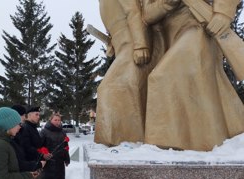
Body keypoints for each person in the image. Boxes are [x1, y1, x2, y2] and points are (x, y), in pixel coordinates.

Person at [141, 0, 244, 151]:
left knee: (162, 76)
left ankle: (165, 147)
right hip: (170, 38)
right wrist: (167, 4)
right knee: (195, 86)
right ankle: (198, 143)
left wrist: (223, 12)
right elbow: (147, 15)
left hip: (199, 28)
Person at [94, 0, 164, 146]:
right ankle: (125, 141)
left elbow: (133, 10)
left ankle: (127, 142)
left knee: (110, 90)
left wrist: (140, 45)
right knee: (123, 91)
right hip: (124, 44)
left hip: (135, 44)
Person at [40, 113, 70, 179]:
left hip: (59, 162)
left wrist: (67, 158)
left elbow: (66, 147)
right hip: (48, 163)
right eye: (55, 120)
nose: (57, 122)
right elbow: (39, 146)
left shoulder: (62, 132)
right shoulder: (44, 132)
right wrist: (44, 154)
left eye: (59, 120)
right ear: (50, 120)